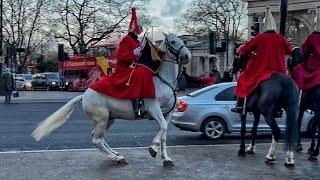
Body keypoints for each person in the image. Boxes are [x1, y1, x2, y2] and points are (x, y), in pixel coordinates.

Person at [90, 7, 155, 117]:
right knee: (140, 75)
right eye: (139, 27)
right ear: (134, 28)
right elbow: (121, 56)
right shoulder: (126, 39)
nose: (141, 29)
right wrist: (134, 53)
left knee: (146, 71)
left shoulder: (136, 41)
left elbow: (137, 57)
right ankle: (136, 106)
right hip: (125, 68)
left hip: (133, 66)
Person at [231, 7, 292, 113]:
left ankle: (241, 105)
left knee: (242, 79)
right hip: (279, 71)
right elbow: (289, 51)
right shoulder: (281, 38)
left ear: (264, 26)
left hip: (263, 71)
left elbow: (245, 50)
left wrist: (243, 50)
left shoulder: (260, 37)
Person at [292, 6, 320, 91]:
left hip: (314, 66)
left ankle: (300, 94)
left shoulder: (312, 37)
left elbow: (304, 52)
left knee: (298, 70)